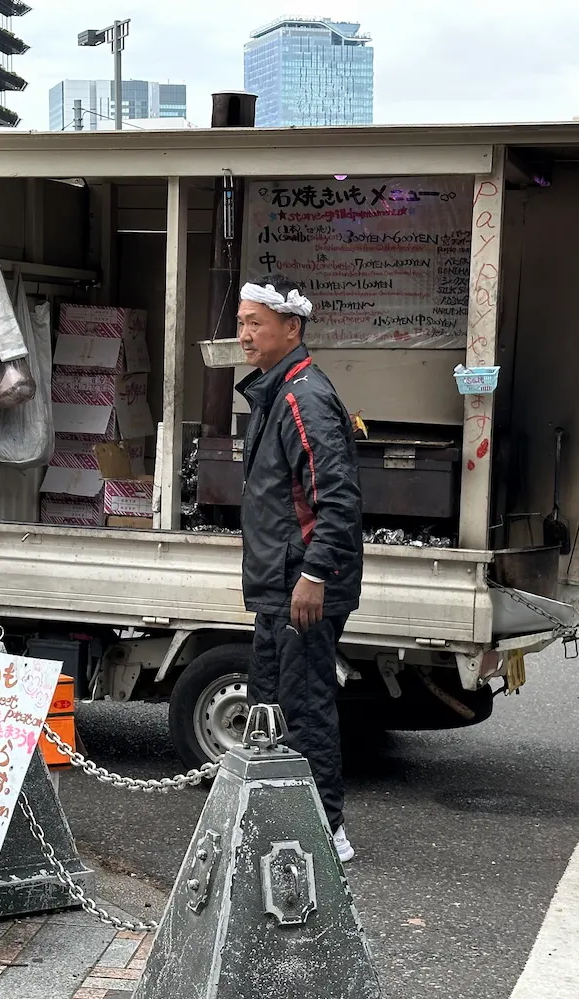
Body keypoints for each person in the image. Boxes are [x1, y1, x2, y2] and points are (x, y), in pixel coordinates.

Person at [236, 272, 363, 862]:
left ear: (292, 328)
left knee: (305, 706)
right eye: (240, 323)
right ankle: (282, 823)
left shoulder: (302, 395)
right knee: (273, 699)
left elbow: (336, 499)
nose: (244, 335)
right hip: (279, 583)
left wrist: (313, 577)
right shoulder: (277, 386)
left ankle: (326, 832)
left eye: (254, 324)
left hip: (301, 584)